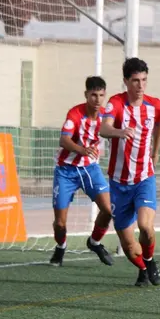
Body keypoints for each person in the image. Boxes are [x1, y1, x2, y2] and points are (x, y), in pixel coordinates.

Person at [100, 58, 160, 287]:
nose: (140, 85)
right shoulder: (116, 103)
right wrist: (120, 132)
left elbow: (159, 124)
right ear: (126, 81)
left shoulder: (155, 105)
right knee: (128, 246)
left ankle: (150, 261)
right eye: (136, 80)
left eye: (144, 80)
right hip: (119, 184)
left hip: (144, 178)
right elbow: (104, 128)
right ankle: (143, 269)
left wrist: (155, 151)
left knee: (145, 226)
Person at [50, 76, 115, 267]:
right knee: (60, 223)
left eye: (101, 95)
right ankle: (61, 247)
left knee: (109, 210)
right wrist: (81, 150)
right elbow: (64, 140)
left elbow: (115, 132)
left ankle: (94, 242)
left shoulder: (105, 117)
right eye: (93, 95)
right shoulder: (75, 113)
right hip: (66, 171)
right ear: (86, 95)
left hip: (90, 169)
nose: (97, 99)